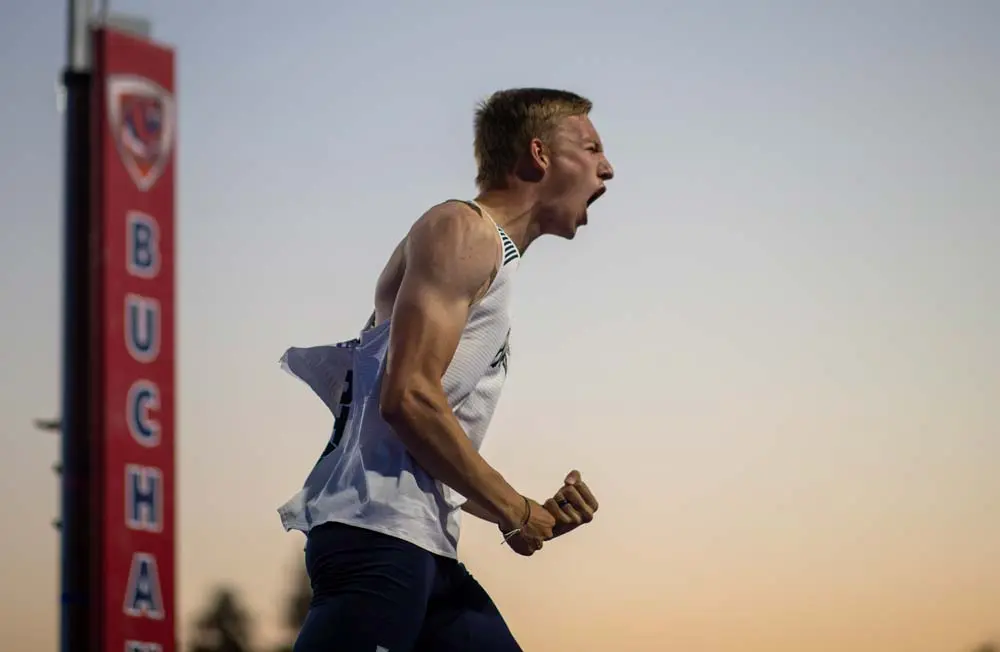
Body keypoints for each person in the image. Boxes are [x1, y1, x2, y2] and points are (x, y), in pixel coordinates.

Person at [277, 87, 614, 652]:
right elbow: (406, 397)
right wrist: (514, 509)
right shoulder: (463, 231)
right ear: (539, 155)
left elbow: (422, 443)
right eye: (591, 147)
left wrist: (532, 515)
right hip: (377, 539)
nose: (607, 167)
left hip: (423, 547)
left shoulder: (488, 256)